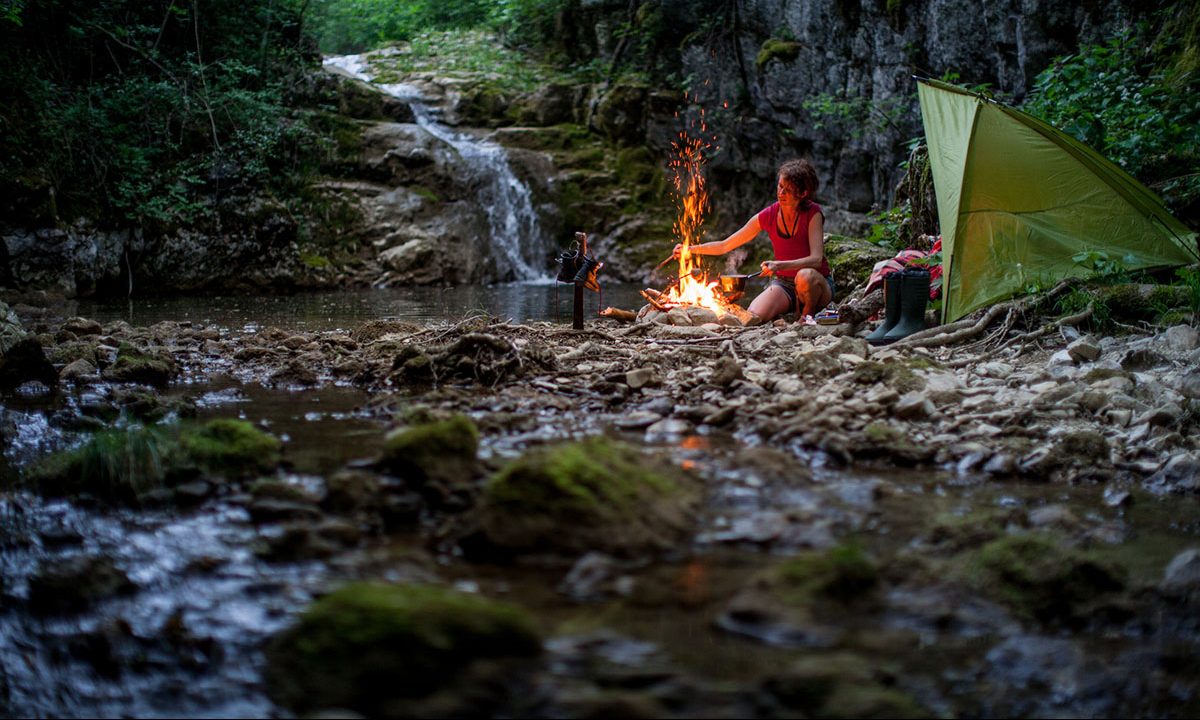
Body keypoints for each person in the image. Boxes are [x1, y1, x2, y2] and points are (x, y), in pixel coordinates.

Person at [674, 159, 834, 323]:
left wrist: (779, 265)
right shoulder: (768, 215)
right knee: (753, 316)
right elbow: (724, 245)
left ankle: (807, 315)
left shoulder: (813, 213)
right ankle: (793, 308)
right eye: (780, 186)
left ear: (802, 193)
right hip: (785, 284)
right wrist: (689, 249)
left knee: (804, 276)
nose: (781, 193)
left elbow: (816, 260)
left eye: (788, 190)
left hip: (816, 284)